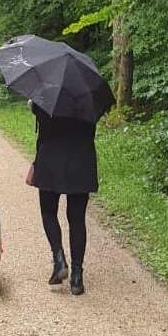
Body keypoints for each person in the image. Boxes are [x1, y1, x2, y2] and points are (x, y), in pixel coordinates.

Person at [28, 100, 98, 295]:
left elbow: (42, 132)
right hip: (81, 164)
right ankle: (77, 277)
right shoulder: (90, 102)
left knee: (48, 212)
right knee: (77, 219)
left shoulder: (44, 99)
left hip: (50, 161)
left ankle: (59, 258)